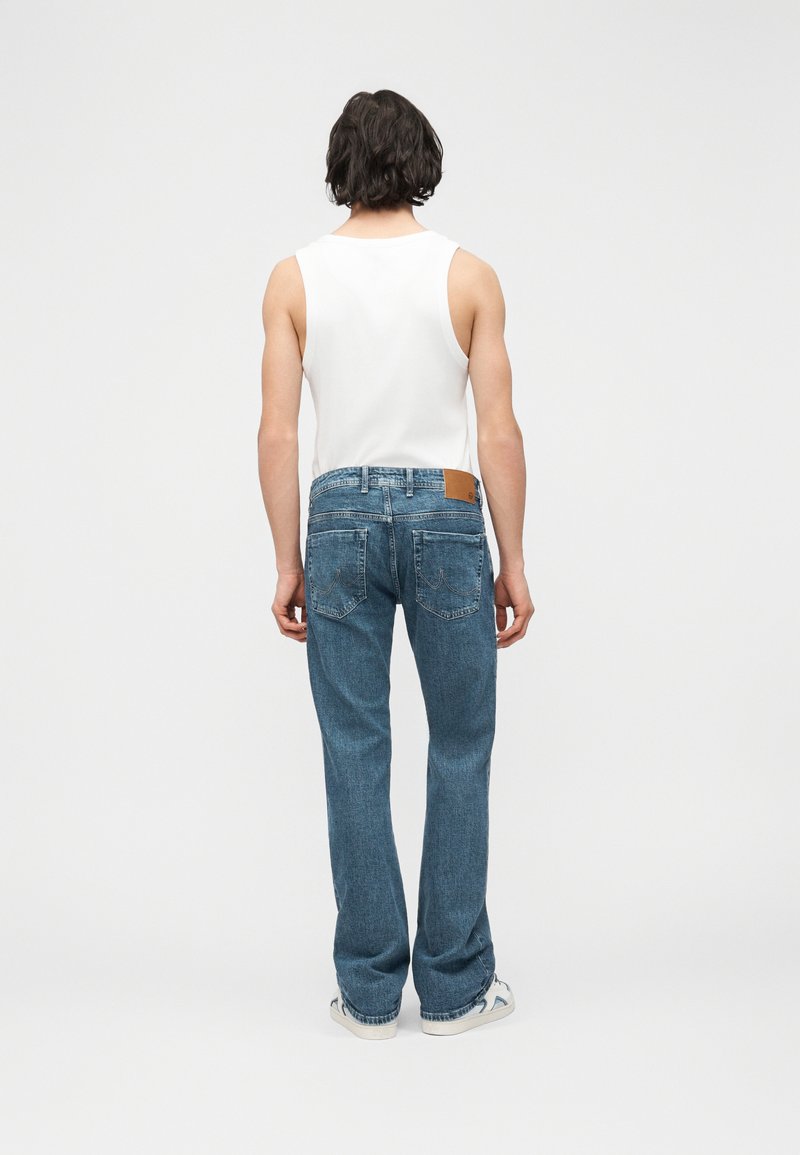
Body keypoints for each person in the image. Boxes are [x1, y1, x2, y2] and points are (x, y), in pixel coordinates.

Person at [257, 89, 534, 1039]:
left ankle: (370, 994)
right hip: (449, 515)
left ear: (341, 164)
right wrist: (513, 556)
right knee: (460, 745)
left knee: (353, 749)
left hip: (336, 518)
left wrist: (286, 557)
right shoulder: (469, 275)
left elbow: (278, 431)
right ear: (422, 159)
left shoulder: (294, 278)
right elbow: (498, 429)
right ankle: (454, 986)